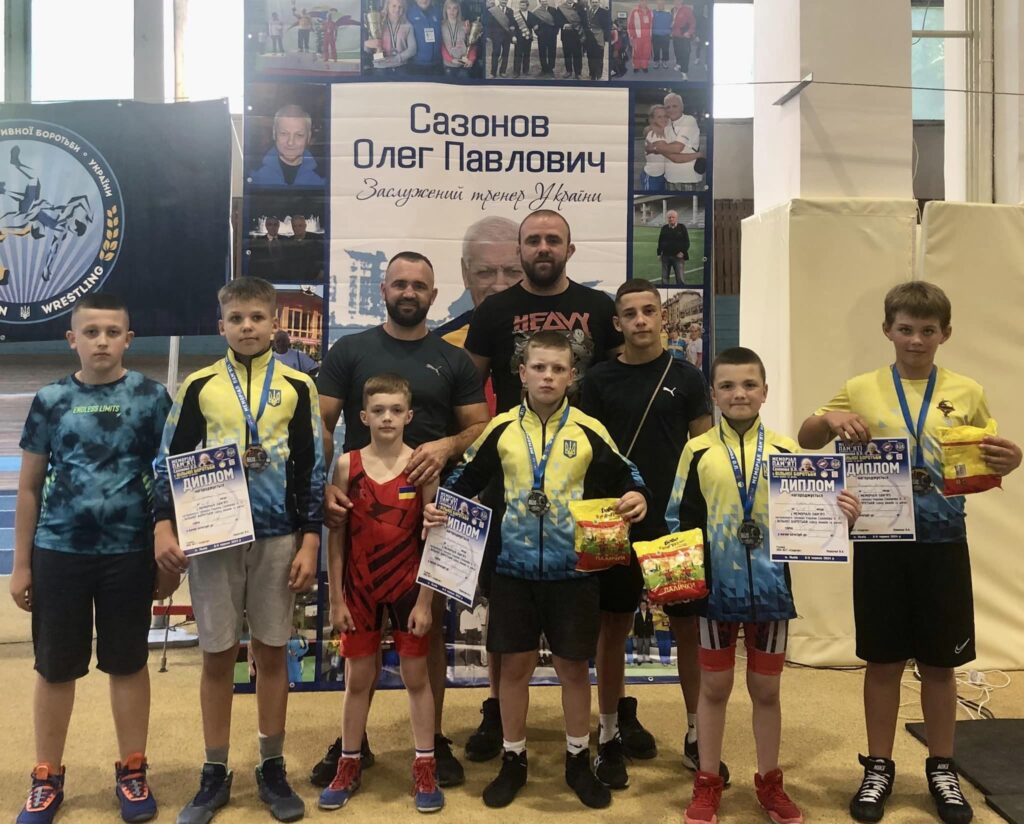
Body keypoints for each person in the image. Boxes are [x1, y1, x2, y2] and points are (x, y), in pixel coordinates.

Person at [797, 281, 1022, 824]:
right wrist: (829, 420)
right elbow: (807, 438)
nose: (916, 340)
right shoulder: (861, 387)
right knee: (883, 661)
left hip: (943, 544)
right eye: (905, 329)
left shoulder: (966, 391)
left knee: (941, 665)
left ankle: (942, 766)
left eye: (927, 330)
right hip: (881, 543)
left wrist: (1010, 461)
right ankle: (878, 766)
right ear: (887, 330)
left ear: (946, 334)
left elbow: (982, 462)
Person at [426, 331, 650, 809]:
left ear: (572, 376)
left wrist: (638, 495)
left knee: (573, 669)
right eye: (539, 368)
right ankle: (513, 759)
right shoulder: (501, 428)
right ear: (522, 373)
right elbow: (466, 477)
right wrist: (441, 505)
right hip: (513, 572)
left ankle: (577, 760)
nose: (548, 376)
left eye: (558, 369)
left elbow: (629, 474)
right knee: (514, 669)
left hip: (575, 574)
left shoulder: (589, 429)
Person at [311, 251, 489, 790]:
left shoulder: (453, 359)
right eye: (400, 283)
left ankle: (431, 742)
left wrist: (445, 446)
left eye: (419, 285)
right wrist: (324, 483)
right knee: (360, 635)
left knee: (424, 631)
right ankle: (354, 743)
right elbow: (322, 424)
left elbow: (479, 426)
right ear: (383, 290)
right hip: (363, 502)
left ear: (433, 295)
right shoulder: (350, 350)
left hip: (430, 506)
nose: (409, 292)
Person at [153, 277, 324, 824]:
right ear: (220, 325)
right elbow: (168, 459)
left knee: (272, 652)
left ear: (275, 323)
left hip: (277, 537)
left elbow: (311, 467)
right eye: (237, 318)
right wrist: (163, 525)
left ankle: (271, 766)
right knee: (217, 655)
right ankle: (214, 770)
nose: (247, 327)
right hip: (213, 538)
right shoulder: (200, 385)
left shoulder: (299, 385)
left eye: (257, 317)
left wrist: (311, 538)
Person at [462, 209, 630, 765]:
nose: (542, 248)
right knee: (507, 629)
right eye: (532, 240)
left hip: (582, 482)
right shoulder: (494, 310)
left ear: (569, 249)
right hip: (513, 478)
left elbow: (621, 377)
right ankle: (500, 721)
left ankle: (607, 726)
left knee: (585, 634)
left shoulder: (599, 308)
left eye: (552, 239)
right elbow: (467, 385)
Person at [670, 346, 861, 824]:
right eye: (728, 386)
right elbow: (679, 518)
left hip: (773, 591)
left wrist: (841, 518)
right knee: (714, 687)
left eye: (749, 384)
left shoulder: (786, 452)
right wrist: (684, 579)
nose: (739, 393)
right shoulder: (697, 450)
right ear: (713, 394)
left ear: (765, 392)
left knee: (767, 690)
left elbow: (813, 517)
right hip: (716, 592)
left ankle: (770, 782)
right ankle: (707, 781)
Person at [11, 293, 173, 824]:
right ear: (72, 339)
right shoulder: (51, 399)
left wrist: (165, 556)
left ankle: (132, 769)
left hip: (129, 553)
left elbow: (169, 480)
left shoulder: (152, 398)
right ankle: (46, 775)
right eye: (91, 332)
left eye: (112, 332)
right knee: (55, 668)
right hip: (59, 552)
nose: (101, 341)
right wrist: (21, 564)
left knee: (128, 663)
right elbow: (29, 487)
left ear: (128, 339)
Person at [580, 279, 719, 790]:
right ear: (617, 323)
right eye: (630, 313)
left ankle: (696, 733)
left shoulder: (687, 377)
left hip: (672, 525)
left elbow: (704, 451)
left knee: (687, 629)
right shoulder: (598, 380)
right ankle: (609, 734)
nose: (640, 320)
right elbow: (591, 453)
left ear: (663, 317)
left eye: (648, 311)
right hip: (614, 520)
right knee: (612, 627)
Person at [317, 374, 445, 814]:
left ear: (409, 416)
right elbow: (337, 537)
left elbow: (433, 538)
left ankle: (425, 765)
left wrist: (426, 601)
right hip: (360, 589)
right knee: (358, 679)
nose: (387, 418)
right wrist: (336, 598)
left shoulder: (422, 467)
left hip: (409, 587)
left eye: (395, 410)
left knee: (416, 678)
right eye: (378, 411)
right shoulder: (346, 465)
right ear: (363, 416)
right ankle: (349, 762)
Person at [437, 216, 525, 351]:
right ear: (465, 274)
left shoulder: (552, 336)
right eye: (485, 272)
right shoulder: (441, 346)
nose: (499, 286)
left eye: (513, 272)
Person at [250, 105, 325, 188]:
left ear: (309, 137)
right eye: (284, 133)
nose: (290, 142)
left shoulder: (324, 176)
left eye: (299, 135)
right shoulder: (254, 172)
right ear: (274, 133)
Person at [660, 93, 704, 190]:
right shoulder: (666, 123)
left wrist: (659, 148)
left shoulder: (689, 120)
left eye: (674, 106)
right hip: (669, 178)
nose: (671, 109)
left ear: (682, 107)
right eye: (667, 107)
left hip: (687, 179)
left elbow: (677, 148)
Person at [365, 0, 417, 73]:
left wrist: (397, 59)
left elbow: (412, 49)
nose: (397, 9)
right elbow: (367, 48)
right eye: (394, 6)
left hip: (401, 67)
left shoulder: (408, 25)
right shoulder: (377, 22)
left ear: (404, 9)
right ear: (387, 6)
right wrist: (367, 44)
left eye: (400, 7)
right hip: (380, 67)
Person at [440, 0, 478, 76]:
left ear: (458, 10)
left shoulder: (465, 25)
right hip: (448, 65)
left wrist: (471, 59)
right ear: (445, 10)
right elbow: (441, 46)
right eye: (449, 8)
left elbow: (472, 44)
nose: (452, 11)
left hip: (463, 65)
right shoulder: (441, 26)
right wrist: (451, 59)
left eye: (455, 8)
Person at [406, 0, 443, 75]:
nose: (424, 0)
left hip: (437, 63)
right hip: (416, 64)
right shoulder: (408, 13)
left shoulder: (438, 12)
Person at [284, 214, 324, 282]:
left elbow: (324, 259)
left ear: (305, 226)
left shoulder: (317, 239)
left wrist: (320, 275)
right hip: (293, 280)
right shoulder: (288, 242)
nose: (297, 228)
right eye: (294, 226)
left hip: (314, 280)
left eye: (300, 225)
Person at [641, 105, 671, 191]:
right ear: (653, 119)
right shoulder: (653, 134)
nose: (663, 119)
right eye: (659, 117)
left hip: (663, 176)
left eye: (665, 116)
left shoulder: (666, 131)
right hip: (652, 177)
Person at [657, 210, 690, 286]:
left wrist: (682, 252)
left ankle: (681, 291)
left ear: (676, 218)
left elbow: (687, 242)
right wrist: (659, 253)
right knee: (664, 278)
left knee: (680, 278)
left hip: (678, 257)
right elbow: (660, 241)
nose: (671, 219)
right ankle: (664, 291)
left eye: (673, 217)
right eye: (669, 217)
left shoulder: (682, 227)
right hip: (665, 256)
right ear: (667, 218)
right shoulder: (664, 228)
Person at [250, 216, 287, 281]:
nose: (273, 227)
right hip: (265, 278)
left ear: (278, 226)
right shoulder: (258, 241)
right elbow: (255, 263)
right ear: (266, 226)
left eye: (275, 225)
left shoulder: (286, 240)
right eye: (270, 224)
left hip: (284, 277)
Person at [530, 0, 560, 76]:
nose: (544, 2)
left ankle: (551, 69)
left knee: (552, 51)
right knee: (542, 52)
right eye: (542, 1)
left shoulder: (553, 10)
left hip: (552, 34)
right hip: (542, 35)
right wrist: (538, 33)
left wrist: (555, 32)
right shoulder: (537, 12)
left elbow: (557, 22)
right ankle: (544, 68)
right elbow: (534, 23)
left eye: (545, 1)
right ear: (540, 2)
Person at [582, 0, 609, 80]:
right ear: (590, 3)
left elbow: (607, 26)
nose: (594, 4)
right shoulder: (588, 12)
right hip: (589, 38)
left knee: (599, 57)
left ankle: (598, 74)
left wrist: (605, 38)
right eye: (593, 2)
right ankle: (592, 74)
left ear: (599, 3)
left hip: (599, 38)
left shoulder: (604, 12)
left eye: (596, 2)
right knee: (590, 56)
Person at [558, 0, 585, 78]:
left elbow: (584, 19)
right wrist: (564, 25)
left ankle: (578, 73)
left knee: (578, 54)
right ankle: (568, 71)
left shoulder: (580, 6)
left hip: (577, 33)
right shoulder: (560, 8)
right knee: (567, 54)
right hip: (566, 34)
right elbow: (557, 20)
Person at [487, 0, 514, 77]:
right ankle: (493, 73)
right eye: (502, 0)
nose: (504, 1)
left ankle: (503, 71)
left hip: (507, 36)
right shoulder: (493, 10)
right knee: (496, 53)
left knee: (505, 54)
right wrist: (488, 36)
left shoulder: (510, 11)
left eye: (505, 0)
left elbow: (512, 23)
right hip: (496, 36)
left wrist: (513, 33)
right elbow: (489, 24)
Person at [670, 0, 696, 77]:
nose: (676, 2)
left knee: (685, 53)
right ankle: (679, 63)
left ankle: (684, 71)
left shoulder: (687, 9)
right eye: (675, 0)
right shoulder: (673, 10)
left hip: (684, 36)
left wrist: (689, 32)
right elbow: (674, 21)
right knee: (677, 51)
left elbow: (693, 22)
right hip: (675, 35)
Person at [510, 0, 534, 77]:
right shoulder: (515, 15)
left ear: (527, 6)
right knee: (518, 55)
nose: (522, 7)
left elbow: (534, 24)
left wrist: (536, 26)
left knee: (527, 54)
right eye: (521, 5)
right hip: (518, 38)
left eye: (523, 5)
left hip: (528, 38)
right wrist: (513, 36)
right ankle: (516, 72)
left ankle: (526, 71)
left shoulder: (531, 14)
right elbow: (512, 27)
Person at [627, 0, 653, 72]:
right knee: (637, 52)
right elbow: (630, 24)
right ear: (639, 2)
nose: (643, 3)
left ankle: (644, 66)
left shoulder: (650, 12)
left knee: (646, 52)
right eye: (642, 1)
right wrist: (631, 36)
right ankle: (636, 66)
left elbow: (652, 23)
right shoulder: (634, 11)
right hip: (637, 36)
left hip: (647, 37)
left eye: (645, 1)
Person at [651, 0, 672, 68]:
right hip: (656, 35)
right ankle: (656, 62)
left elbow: (672, 22)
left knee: (665, 50)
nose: (660, 5)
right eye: (659, 3)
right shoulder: (653, 12)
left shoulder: (668, 13)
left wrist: (670, 31)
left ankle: (664, 61)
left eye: (662, 3)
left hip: (665, 35)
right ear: (657, 4)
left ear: (664, 4)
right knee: (656, 49)